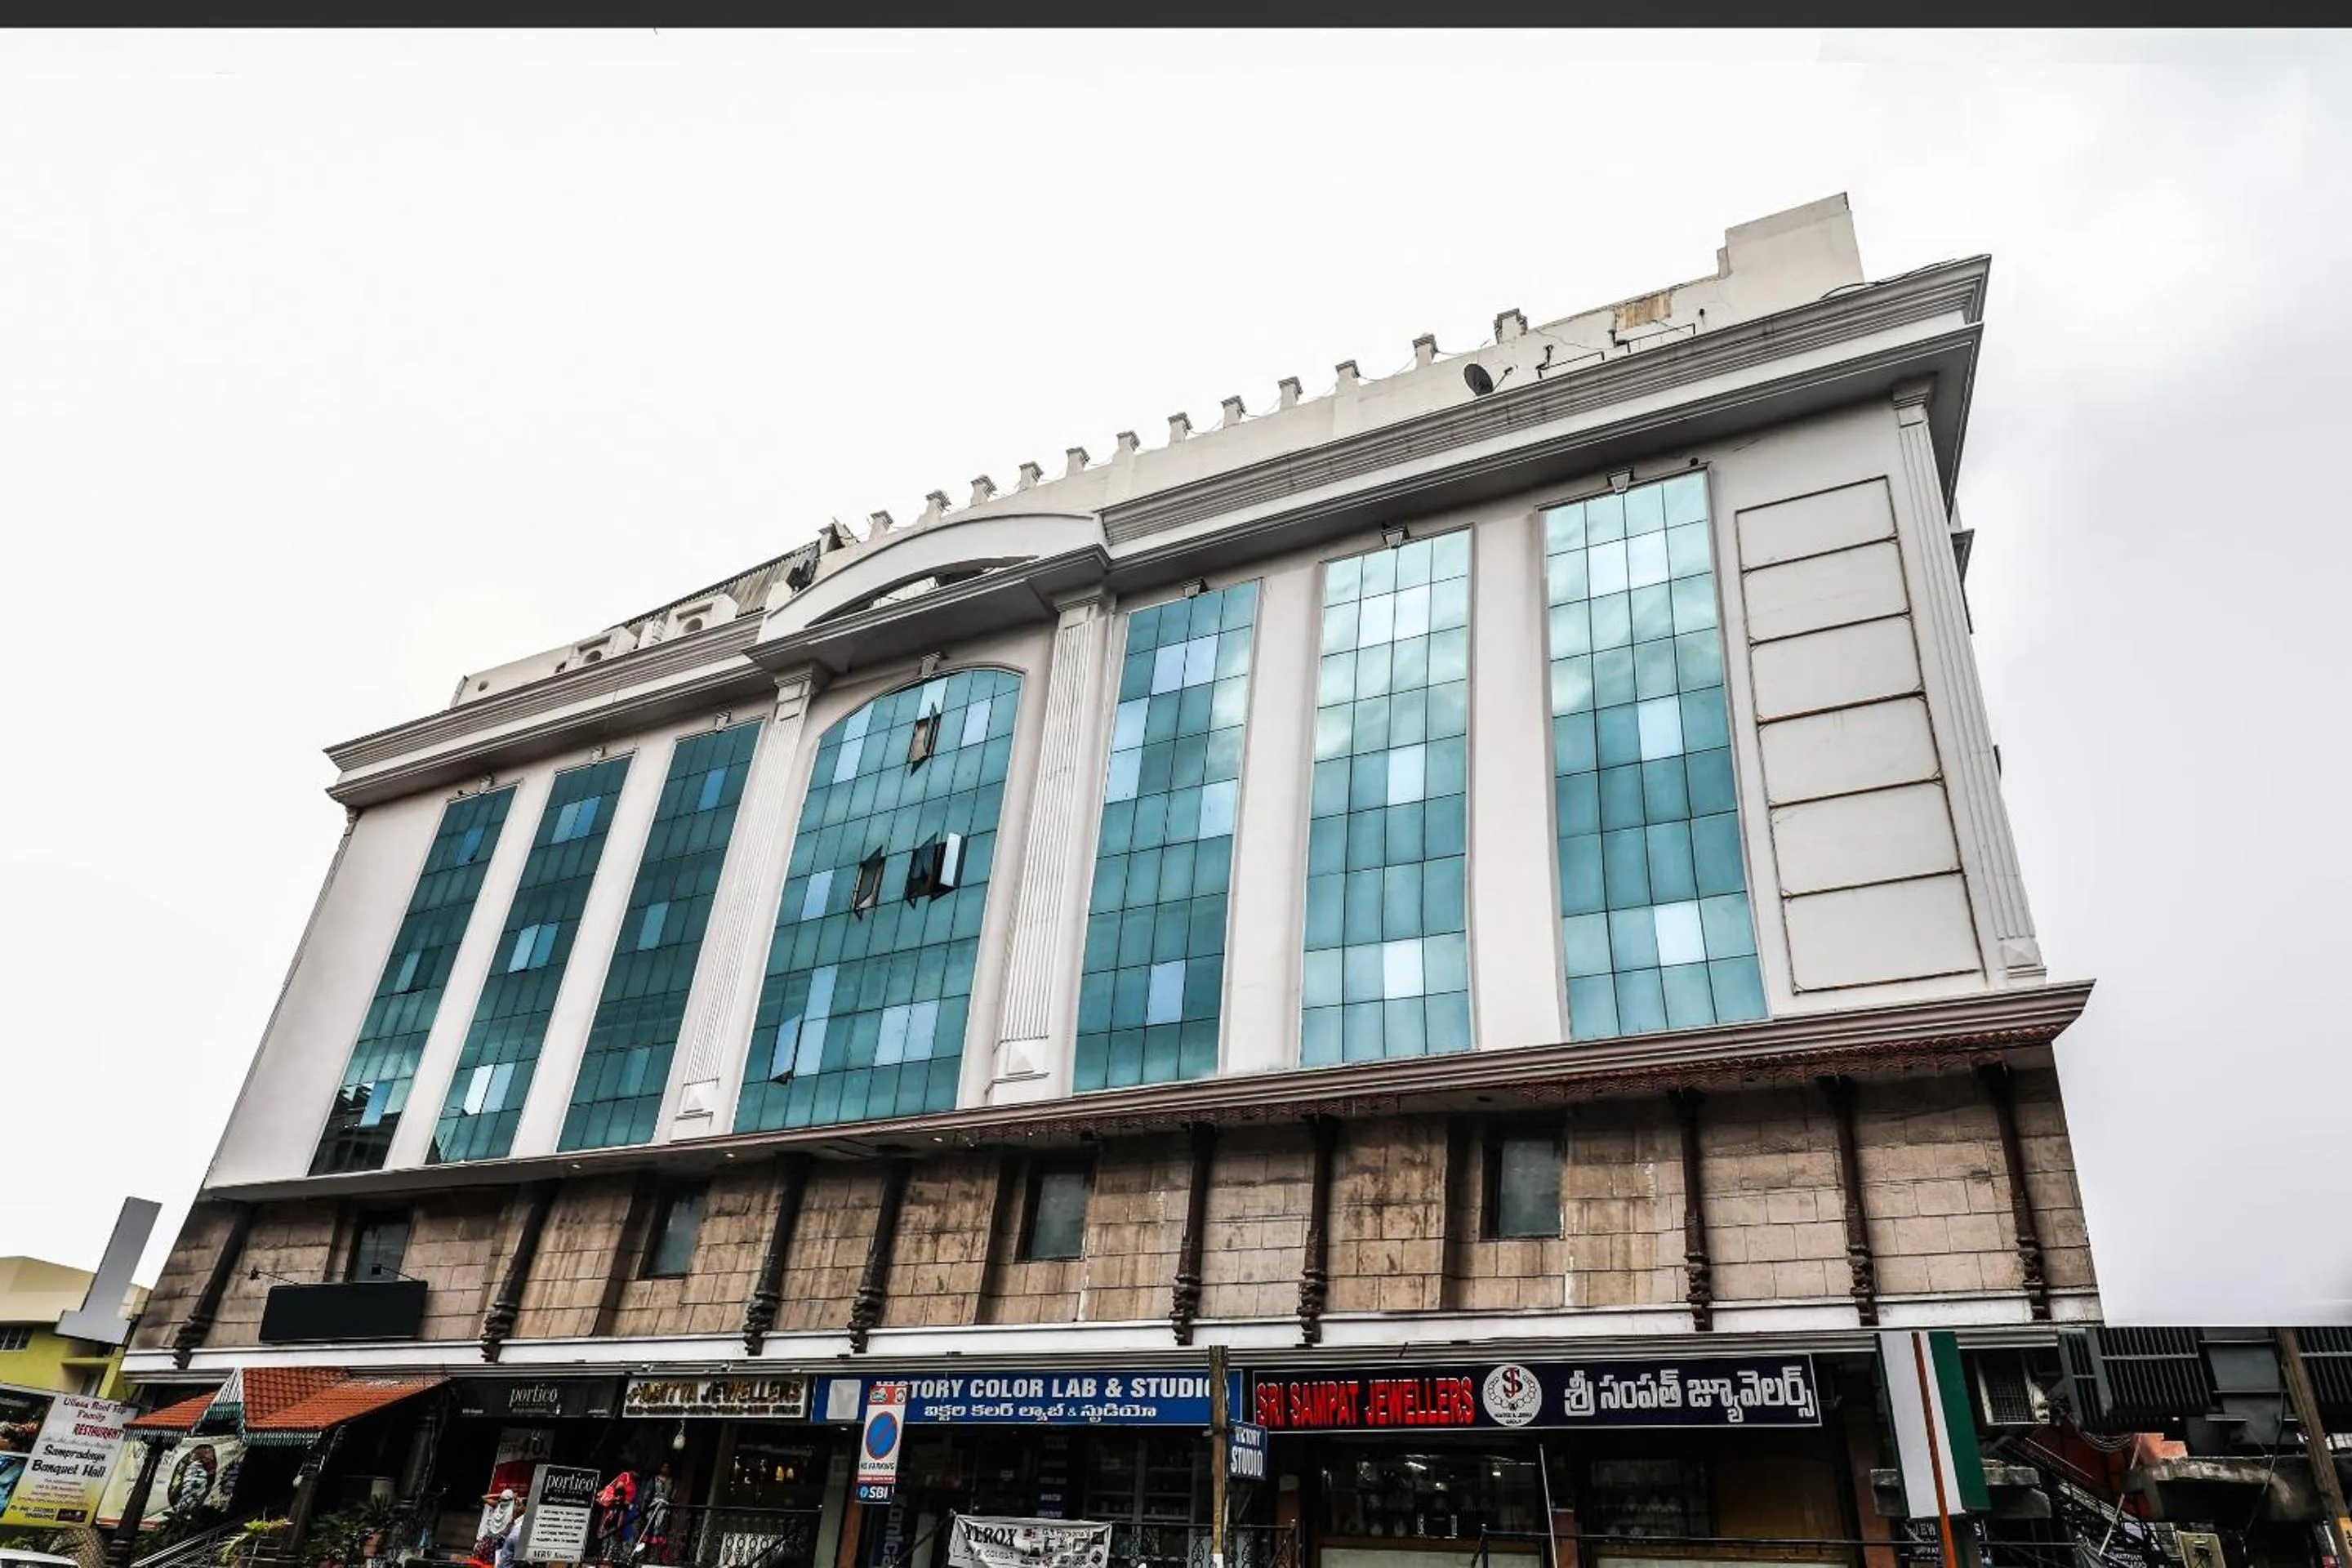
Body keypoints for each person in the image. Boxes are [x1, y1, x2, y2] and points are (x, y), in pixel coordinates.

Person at [595, 1468, 638, 1564]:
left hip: (618, 1513)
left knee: (613, 1534)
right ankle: (603, 1555)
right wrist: (617, 1498)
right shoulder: (625, 1477)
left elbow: (627, 1500)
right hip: (611, 1512)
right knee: (606, 1533)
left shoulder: (633, 1484)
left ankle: (608, 1556)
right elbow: (621, 1493)